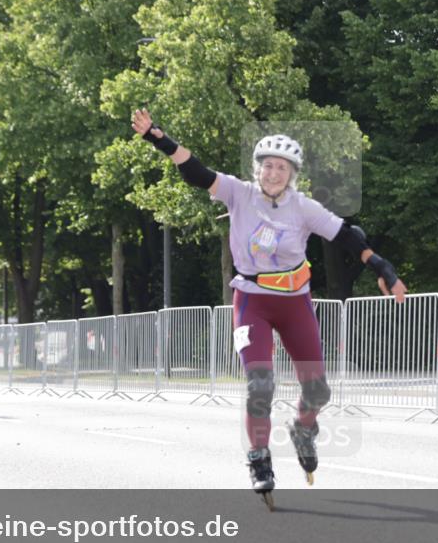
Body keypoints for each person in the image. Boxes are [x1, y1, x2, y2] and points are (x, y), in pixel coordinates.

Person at [132, 109, 407, 503]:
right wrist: (160, 139)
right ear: (257, 168)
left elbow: (347, 236)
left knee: (317, 389)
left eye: (282, 168)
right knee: (260, 384)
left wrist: (384, 268)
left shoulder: (303, 207)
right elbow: (197, 172)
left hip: (295, 302)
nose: (274, 173)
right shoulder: (238, 193)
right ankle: (259, 459)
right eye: (268, 166)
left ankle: (303, 428)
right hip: (252, 300)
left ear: (291, 174)